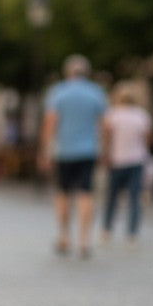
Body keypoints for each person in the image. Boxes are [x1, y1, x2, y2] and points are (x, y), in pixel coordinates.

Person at [38, 54, 107, 257]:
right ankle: (84, 240)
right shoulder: (96, 92)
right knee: (86, 193)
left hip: (63, 151)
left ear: (67, 72)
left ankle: (65, 236)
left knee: (62, 194)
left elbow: (50, 123)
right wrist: (105, 149)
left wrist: (44, 150)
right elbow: (103, 125)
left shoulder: (58, 92)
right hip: (88, 151)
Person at [100, 85, 152, 246]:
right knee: (135, 197)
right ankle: (132, 234)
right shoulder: (142, 115)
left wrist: (106, 156)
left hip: (117, 160)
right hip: (137, 160)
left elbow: (106, 138)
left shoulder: (112, 114)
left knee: (111, 197)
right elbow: (148, 139)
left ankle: (107, 229)